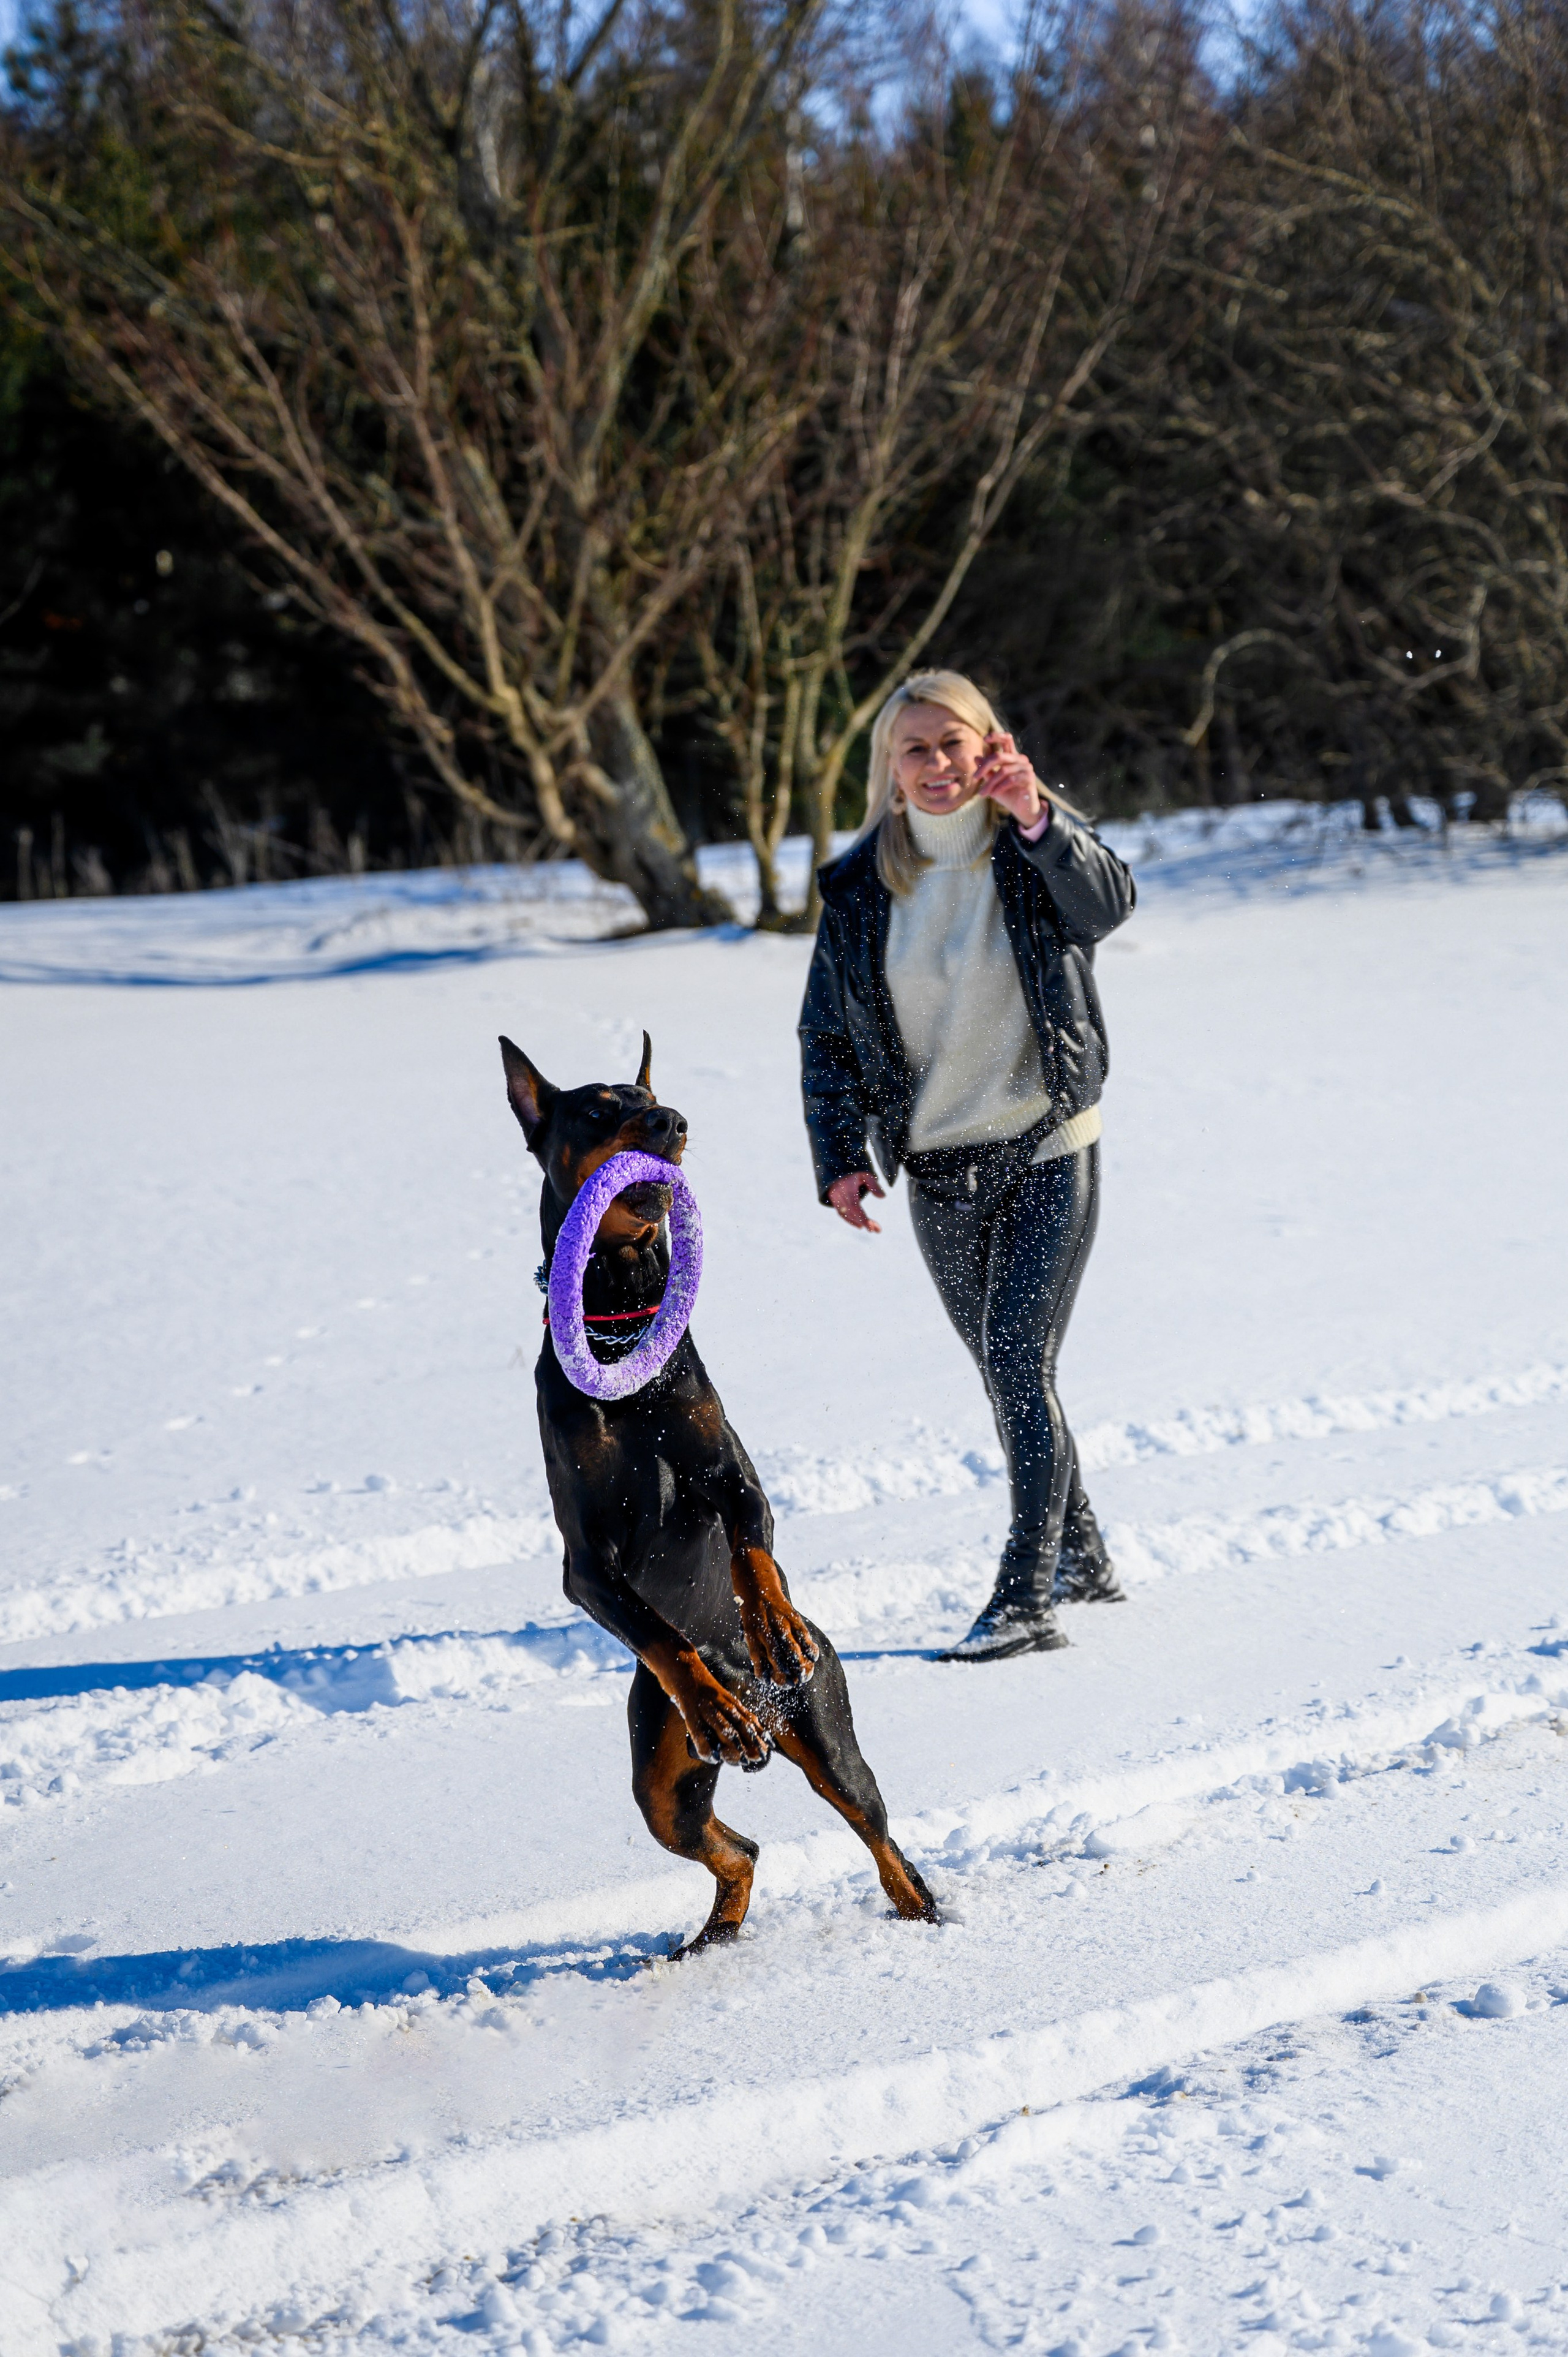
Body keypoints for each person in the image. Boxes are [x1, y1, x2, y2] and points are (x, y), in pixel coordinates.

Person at [798, 670, 1136, 1663]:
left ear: (990, 744)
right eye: (917, 748)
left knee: (1021, 1366)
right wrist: (840, 1155)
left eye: (955, 742)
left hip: (1047, 1144)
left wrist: (1037, 817)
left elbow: (1108, 904)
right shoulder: (859, 887)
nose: (938, 764)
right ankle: (1083, 1557)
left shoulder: (1035, 847)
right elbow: (827, 1035)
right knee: (1005, 1372)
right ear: (891, 768)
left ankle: (1026, 1596)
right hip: (940, 1166)